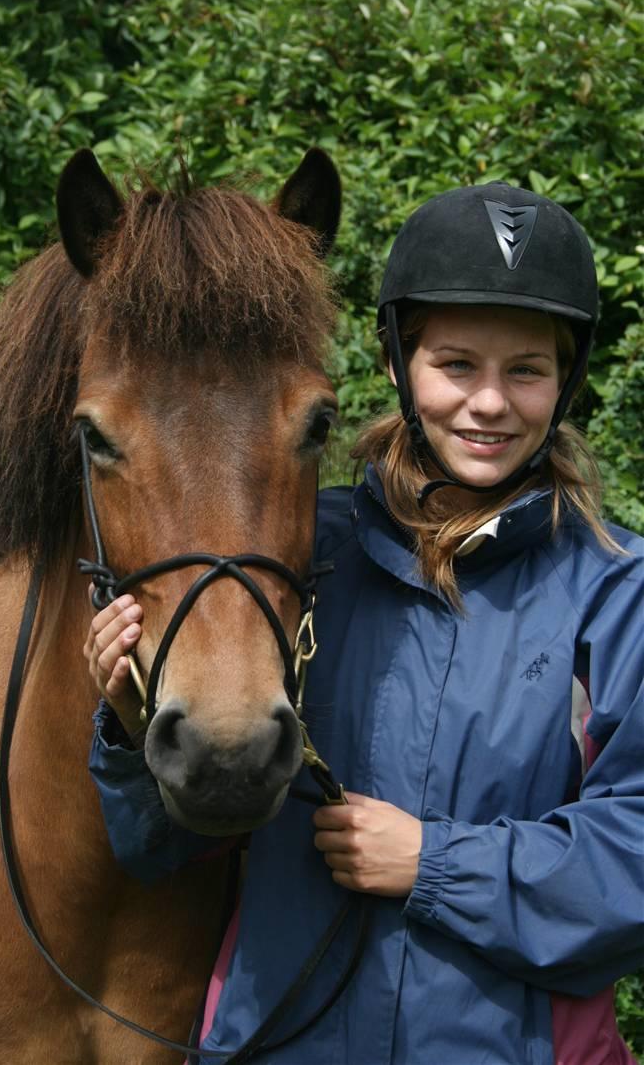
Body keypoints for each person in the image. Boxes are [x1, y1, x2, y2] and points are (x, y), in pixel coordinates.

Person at [85, 182, 644, 1064]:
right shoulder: (297, 558)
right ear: (397, 363)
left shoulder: (616, 591)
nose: (489, 402)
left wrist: (432, 862)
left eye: (526, 370)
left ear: (566, 381)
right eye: (456, 364)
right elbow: (163, 853)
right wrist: (128, 725)